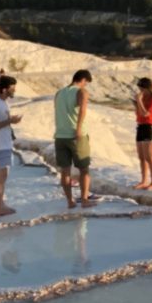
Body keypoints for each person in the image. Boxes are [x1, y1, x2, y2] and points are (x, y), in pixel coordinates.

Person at [53, 69, 98, 209]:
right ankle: (84, 200)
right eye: (86, 83)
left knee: (65, 171)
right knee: (84, 169)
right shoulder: (82, 92)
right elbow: (83, 110)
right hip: (76, 136)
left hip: (60, 136)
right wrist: (78, 129)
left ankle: (70, 202)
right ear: (83, 80)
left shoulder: (59, 93)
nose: (86, 86)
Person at [0, 75, 22, 217]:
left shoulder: (2, 102)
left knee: (3, 176)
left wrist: (10, 122)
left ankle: (1, 203)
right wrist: (10, 121)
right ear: (4, 89)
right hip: (0, 145)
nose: (14, 90)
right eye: (12, 88)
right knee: (2, 176)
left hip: (3, 144)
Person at [133, 77, 152, 190]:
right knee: (141, 157)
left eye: (142, 89)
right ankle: (143, 181)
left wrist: (139, 101)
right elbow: (140, 113)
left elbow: (146, 114)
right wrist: (138, 103)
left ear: (148, 88)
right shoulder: (144, 97)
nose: (141, 92)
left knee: (150, 157)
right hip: (140, 126)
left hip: (150, 127)